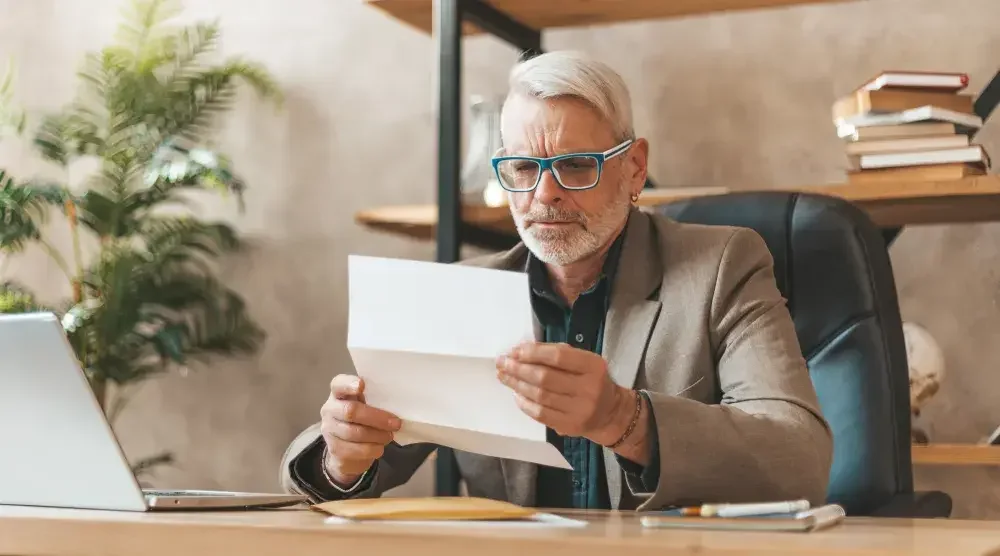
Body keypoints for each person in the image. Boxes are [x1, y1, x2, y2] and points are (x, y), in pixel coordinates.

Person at [279, 51, 832, 511]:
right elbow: (335, 465)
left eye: (575, 166)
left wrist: (625, 420)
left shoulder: (721, 267)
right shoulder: (462, 295)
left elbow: (801, 458)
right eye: (522, 168)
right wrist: (342, 457)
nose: (544, 195)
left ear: (634, 167)